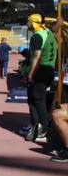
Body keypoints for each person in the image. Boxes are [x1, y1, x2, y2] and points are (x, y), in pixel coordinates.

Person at [25, 13, 57, 143]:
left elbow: (37, 57)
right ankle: (36, 127)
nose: (27, 24)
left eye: (28, 22)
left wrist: (31, 73)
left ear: (33, 23)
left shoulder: (37, 37)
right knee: (34, 99)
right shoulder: (47, 32)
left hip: (41, 70)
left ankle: (44, 131)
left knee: (38, 100)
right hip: (49, 70)